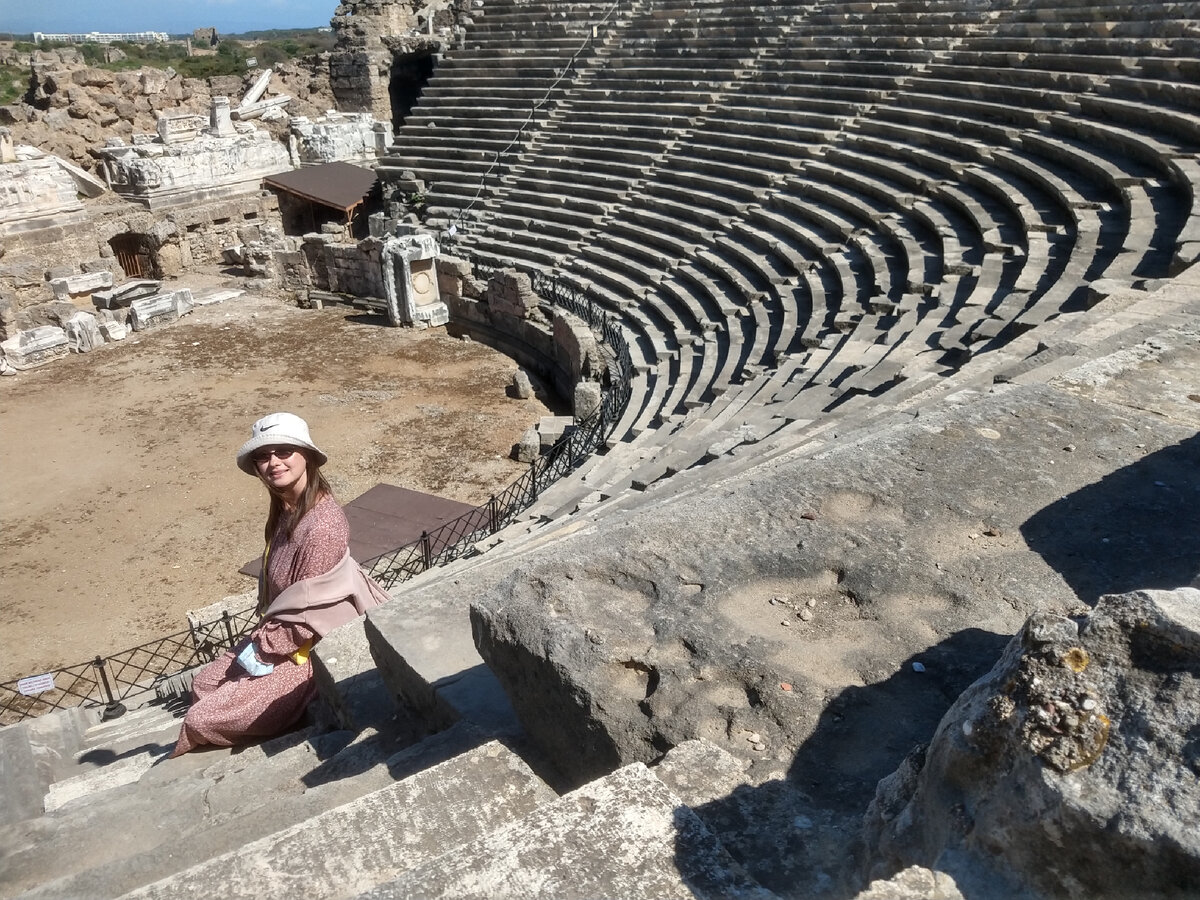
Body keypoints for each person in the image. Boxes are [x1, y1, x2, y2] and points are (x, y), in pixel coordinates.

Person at [170, 412, 390, 757]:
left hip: (310, 651)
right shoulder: (287, 512)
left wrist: (258, 649)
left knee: (201, 720)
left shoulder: (321, 528)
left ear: (308, 456)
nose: (273, 463)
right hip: (280, 636)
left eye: (284, 451)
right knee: (203, 683)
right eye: (263, 456)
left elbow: (304, 621)